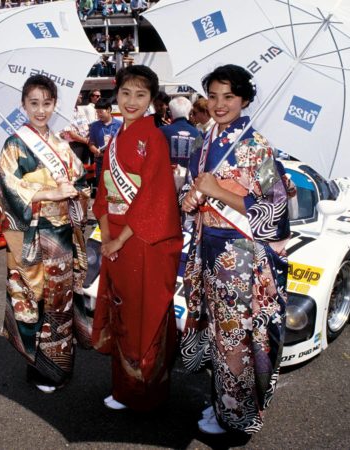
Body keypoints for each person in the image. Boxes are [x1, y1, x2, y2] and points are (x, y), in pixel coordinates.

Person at [180, 64, 292, 435]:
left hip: (239, 257)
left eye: (229, 96)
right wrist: (192, 199)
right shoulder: (203, 138)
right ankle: (220, 404)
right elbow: (198, 189)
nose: (219, 103)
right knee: (216, 333)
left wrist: (217, 192)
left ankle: (237, 416)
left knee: (236, 338)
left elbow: (275, 209)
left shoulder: (256, 146)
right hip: (207, 249)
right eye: (212, 95)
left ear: (244, 98)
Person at [0, 74, 90, 394]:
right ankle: (39, 368)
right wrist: (49, 193)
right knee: (35, 302)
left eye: (47, 103)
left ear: (55, 104)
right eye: (34, 103)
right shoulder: (14, 144)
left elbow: (83, 184)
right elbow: (9, 188)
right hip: (32, 236)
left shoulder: (62, 145)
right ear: (23, 105)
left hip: (61, 237)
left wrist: (74, 193)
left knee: (59, 305)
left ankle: (58, 368)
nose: (41, 110)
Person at [91, 65, 182, 411]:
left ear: (152, 101)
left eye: (140, 95)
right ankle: (125, 387)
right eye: (126, 93)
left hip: (142, 241)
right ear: (117, 93)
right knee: (123, 313)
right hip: (117, 236)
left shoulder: (154, 138)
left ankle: (143, 391)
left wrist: (119, 238)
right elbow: (103, 193)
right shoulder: (115, 138)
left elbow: (153, 198)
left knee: (141, 315)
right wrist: (107, 232)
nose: (131, 101)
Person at [87, 98, 121, 194]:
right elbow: (91, 144)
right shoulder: (94, 126)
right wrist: (96, 151)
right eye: (97, 112)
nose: (99, 114)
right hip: (100, 162)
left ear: (109, 110)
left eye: (101, 111)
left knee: (115, 189)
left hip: (115, 162)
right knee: (102, 188)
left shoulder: (120, 125)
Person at [160, 96, 202, 168]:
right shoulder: (197, 134)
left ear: (171, 113)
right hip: (190, 176)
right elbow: (199, 160)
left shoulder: (160, 131)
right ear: (188, 113)